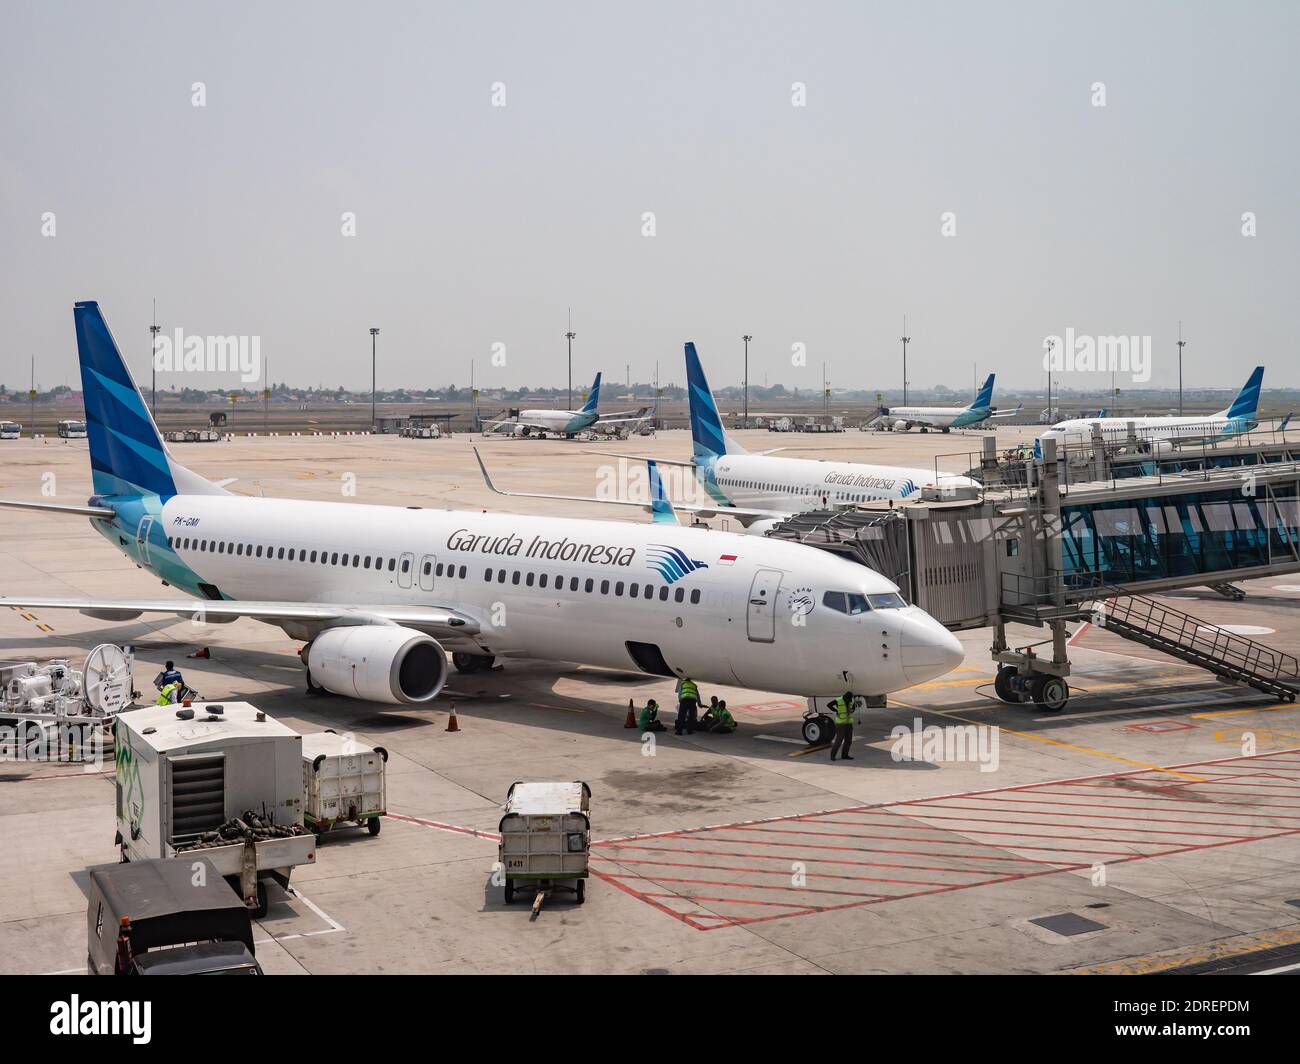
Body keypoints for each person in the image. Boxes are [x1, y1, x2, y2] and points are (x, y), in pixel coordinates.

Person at [829, 690, 856, 761]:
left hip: (849, 723)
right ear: (845, 697)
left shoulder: (851, 699)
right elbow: (829, 705)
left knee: (848, 741)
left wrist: (852, 710)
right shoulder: (838, 700)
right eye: (848, 699)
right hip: (840, 724)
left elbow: (853, 707)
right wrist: (836, 710)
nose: (850, 701)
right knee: (839, 741)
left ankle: (845, 755)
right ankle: (832, 756)